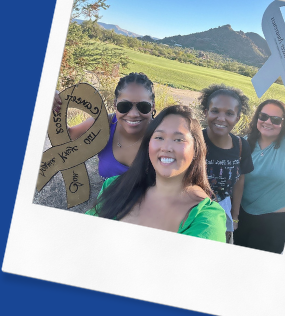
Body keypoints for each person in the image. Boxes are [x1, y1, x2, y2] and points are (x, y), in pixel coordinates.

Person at [86, 105, 226, 242]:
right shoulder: (115, 186)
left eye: (179, 139)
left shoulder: (206, 217)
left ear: (196, 149)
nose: (166, 147)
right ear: (148, 145)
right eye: (159, 137)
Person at [235, 54, 285, 254]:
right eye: (263, 116)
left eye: (276, 120)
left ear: (284, 123)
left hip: (278, 225)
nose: (268, 122)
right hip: (243, 220)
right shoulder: (244, 144)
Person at [57, 73, 156, 179]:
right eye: (125, 106)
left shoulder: (164, 135)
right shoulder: (105, 124)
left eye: (143, 106)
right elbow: (65, 136)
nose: (133, 114)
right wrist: (53, 104)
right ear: (115, 105)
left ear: (153, 107)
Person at [198, 84, 254, 243]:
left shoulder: (242, 146)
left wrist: (235, 216)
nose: (221, 118)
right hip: (192, 209)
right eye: (215, 111)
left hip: (223, 211)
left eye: (229, 113)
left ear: (237, 118)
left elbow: (239, 181)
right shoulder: (194, 141)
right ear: (206, 112)